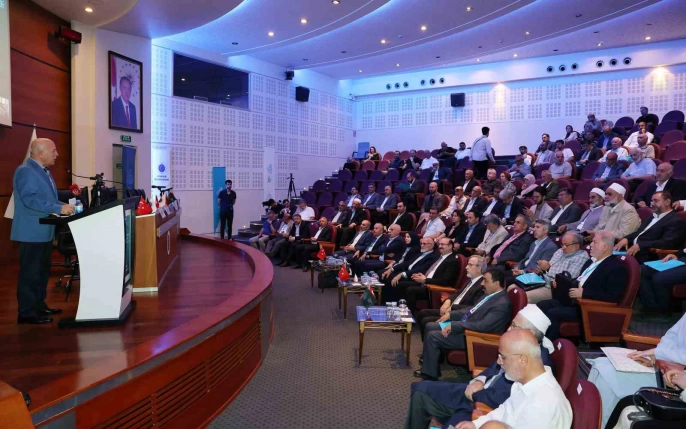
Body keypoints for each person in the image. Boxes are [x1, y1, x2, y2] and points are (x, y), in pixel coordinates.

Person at [407, 305, 557, 429]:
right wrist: (479, 380)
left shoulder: (535, 364)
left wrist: (475, 395)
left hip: (483, 405)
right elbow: (494, 367)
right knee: (421, 390)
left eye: (514, 326)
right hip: (479, 391)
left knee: (428, 399)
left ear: (529, 333)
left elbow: (503, 399)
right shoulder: (520, 348)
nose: (508, 329)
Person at [454, 330, 572, 429]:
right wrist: (476, 424)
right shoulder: (526, 382)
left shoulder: (542, 406)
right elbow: (505, 411)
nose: (499, 362)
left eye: (503, 357)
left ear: (522, 359)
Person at [12, 138, 74, 324]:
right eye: (53, 151)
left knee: (41, 273)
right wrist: (58, 208)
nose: (57, 154)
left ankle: (39, 305)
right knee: (30, 274)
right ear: (41, 153)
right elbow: (29, 199)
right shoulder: (26, 171)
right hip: (31, 233)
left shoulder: (43, 171)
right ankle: (27, 312)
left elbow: (50, 200)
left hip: (44, 232)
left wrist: (67, 206)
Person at [588, 313, 686, 428]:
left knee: (606, 375)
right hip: (665, 363)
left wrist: (658, 353)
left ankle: (598, 425)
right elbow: (672, 335)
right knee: (600, 364)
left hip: (674, 376)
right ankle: (589, 423)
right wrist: (657, 354)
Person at [415, 268, 512, 381]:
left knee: (433, 336)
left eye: (485, 281)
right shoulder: (490, 294)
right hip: (466, 327)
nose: (482, 283)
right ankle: (432, 363)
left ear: (496, 284)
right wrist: (451, 315)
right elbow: (471, 310)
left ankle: (430, 374)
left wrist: (455, 325)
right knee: (430, 326)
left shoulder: (502, 304)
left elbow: (483, 326)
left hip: (475, 337)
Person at [538, 231, 627, 340]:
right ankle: (536, 338)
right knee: (542, 305)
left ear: (605, 247)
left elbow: (613, 296)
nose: (590, 245)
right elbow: (578, 280)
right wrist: (560, 283)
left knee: (553, 313)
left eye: (594, 242)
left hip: (590, 308)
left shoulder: (616, 268)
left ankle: (549, 345)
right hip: (574, 302)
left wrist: (584, 293)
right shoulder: (590, 262)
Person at [414, 255, 486, 340]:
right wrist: (448, 301)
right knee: (423, 313)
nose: (466, 267)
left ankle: (435, 344)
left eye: (470, 265)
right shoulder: (470, 280)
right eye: (467, 264)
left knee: (427, 322)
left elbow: (474, 308)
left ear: (479, 268)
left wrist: (452, 308)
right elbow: (457, 293)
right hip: (451, 309)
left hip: (460, 316)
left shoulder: (482, 285)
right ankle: (429, 343)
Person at [514, 232, 589, 304]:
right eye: (562, 244)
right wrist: (542, 267)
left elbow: (567, 277)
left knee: (522, 296)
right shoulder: (559, 251)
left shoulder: (582, 257)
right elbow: (548, 267)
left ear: (577, 246)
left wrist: (548, 268)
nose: (563, 247)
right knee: (512, 287)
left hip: (553, 288)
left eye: (566, 245)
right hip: (540, 280)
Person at [614, 191, 684, 263]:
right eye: (652, 201)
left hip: (649, 256)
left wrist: (641, 245)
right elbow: (639, 233)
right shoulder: (651, 216)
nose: (652, 204)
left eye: (656, 201)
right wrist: (626, 239)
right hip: (632, 252)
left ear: (667, 202)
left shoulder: (675, 221)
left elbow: (666, 243)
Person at [396, 237, 460, 313]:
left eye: (443, 244)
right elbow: (432, 271)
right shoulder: (439, 257)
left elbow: (445, 281)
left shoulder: (452, 261)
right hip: (427, 282)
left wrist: (425, 280)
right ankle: (400, 310)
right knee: (402, 284)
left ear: (450, 246)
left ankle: (409, 315)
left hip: (434, 288)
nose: (440, 246)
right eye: (439, 244)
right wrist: (421, 275)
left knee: (411, 290)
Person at [383, 237, 439, 302]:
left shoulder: (432, 257)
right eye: (421, 243)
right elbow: (407, 263)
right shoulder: (419, 253)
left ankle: (395, 303)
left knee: (398, 282)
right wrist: (392, 269)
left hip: (414, 276)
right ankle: (386, 302)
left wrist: (402, 274)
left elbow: (420, 269)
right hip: (407, 272)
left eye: (424, 244)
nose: (422, 245)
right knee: (388, 275)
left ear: (431, 245)